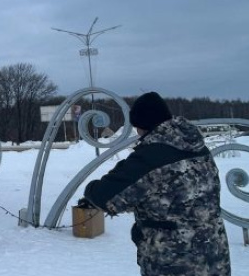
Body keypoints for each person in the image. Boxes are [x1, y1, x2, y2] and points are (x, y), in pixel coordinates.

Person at [81, 91, 230, 276]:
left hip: (175, 261)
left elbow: (106, 196)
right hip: (214, 254)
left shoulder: (150, 157)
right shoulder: (198, 147)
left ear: (143, 125)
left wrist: (90, 190)